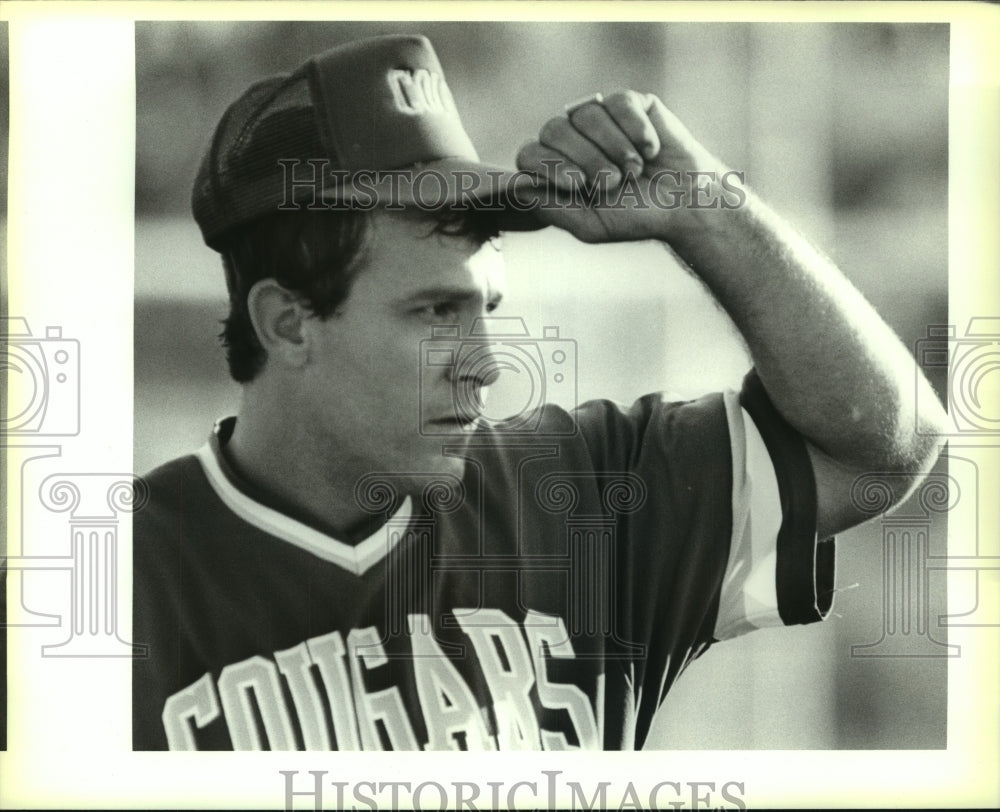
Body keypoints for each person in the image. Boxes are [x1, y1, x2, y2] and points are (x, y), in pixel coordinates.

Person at [132, 34, 946, 751]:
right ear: (288, 322)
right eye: (434, 312)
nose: (487, 363)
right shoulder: (106, 594)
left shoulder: (585, 502)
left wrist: (709, 212)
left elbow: (886, 445)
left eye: (486, 307)